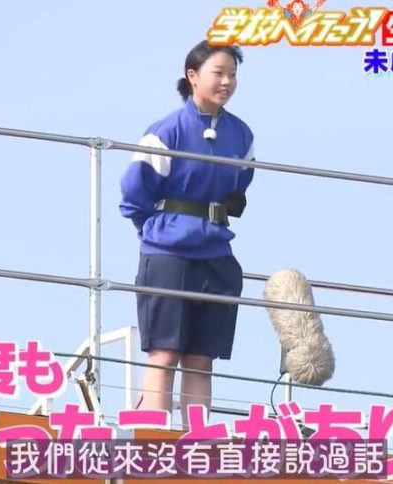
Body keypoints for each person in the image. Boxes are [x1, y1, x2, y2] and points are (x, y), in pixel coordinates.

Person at [119, 40, 256, 426]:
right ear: (192, 76)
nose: (227, 82)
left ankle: (198, 438)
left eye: (233, 75)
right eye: (219, 73)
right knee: (164, 352)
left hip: (216, 252)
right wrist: (159, 230)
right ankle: (155, 437)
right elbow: (134, 194)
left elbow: (241, 185)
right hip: (168, 251)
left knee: (201, 357)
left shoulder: (241, 135)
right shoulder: (167, 131)